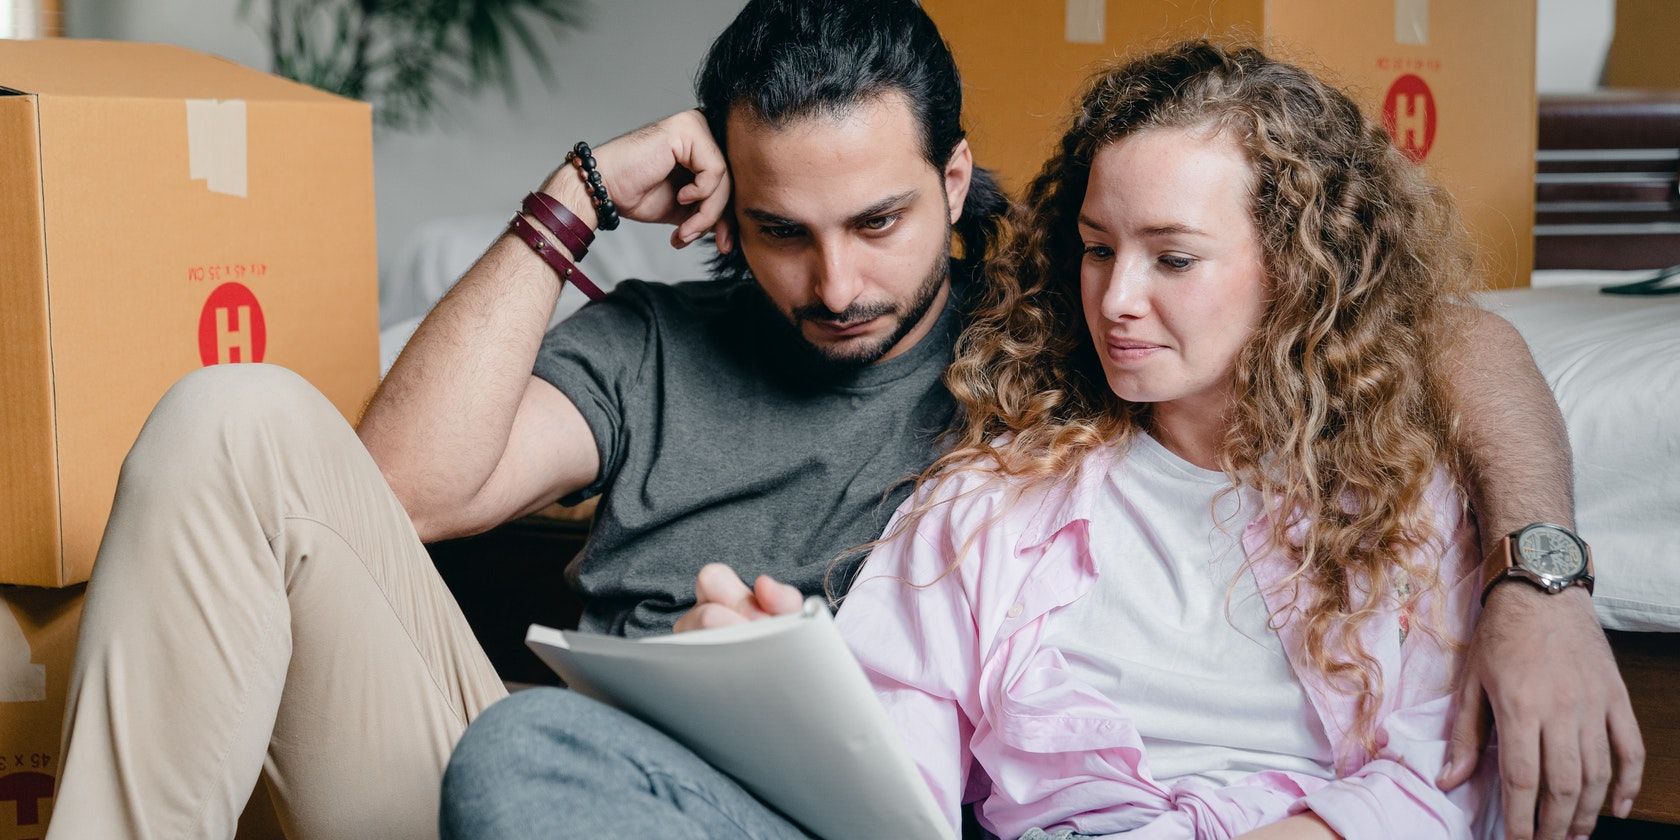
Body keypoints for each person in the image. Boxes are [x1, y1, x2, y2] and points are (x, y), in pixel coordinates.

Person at [50, 3, 1635, 840]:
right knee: (240, 418)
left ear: (957, 186)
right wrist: (576, 200)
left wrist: (1544, 575)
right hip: (574, 786)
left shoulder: (1058, 314)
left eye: (880, 221)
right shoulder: (674, 339)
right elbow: (386, 490)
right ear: (722, 208)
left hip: (824, 810)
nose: (836, 281)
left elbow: (1432, 327)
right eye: (780, 228)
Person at [832, 40, 1514, 839]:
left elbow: (1448, 781)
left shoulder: (1408, 501)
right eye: (1098, 249)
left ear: (1300, 267)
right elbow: (880, 765)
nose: (1117, 297)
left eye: (1174, 258)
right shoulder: (988, 504)